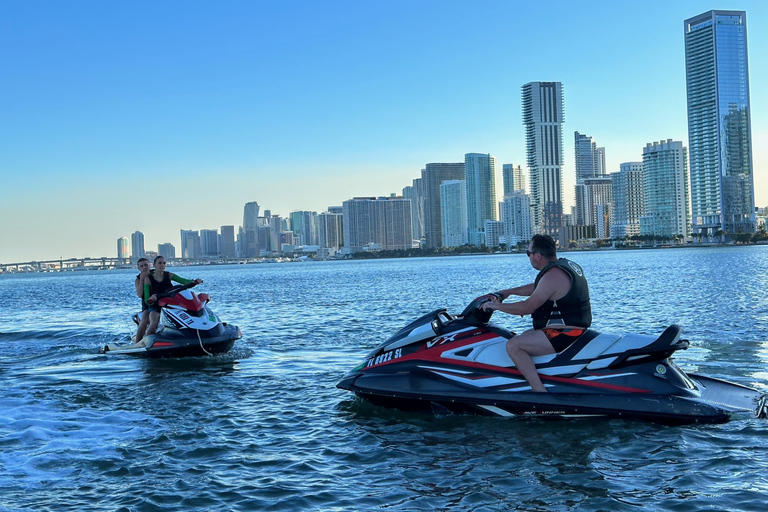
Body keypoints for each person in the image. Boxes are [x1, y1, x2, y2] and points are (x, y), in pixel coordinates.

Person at [481, 234, 591, 392]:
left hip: (565, 334)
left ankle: (539, 391)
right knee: (524, 335)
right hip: (571, 330)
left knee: (514, 345)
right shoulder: (561, 268)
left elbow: (527, 307)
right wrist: (508, 292)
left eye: (528, 253)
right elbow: (538, 288)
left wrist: (494, 306)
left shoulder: (554, 274)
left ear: (537, 256)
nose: (529, 256)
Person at [144, 255, 202, 336]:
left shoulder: (169, 275)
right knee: (154, 323)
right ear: (154, 265)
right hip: (156, 305)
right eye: (160, 263)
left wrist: (195, 281)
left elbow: (184, 281)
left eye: (164, 263)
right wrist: (151, 299)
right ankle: (145, 342)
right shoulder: (148, 278)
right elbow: (147, 299)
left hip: (170, 304)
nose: (162, 265)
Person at [134, 258, 152, 342]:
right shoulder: (138, 280)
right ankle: (138, 341)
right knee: (145, 321)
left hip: (161, 300)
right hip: (147, 304)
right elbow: (140, 294)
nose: (144, 267)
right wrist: (142, 280)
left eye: (146, 265)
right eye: (141, 266)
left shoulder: (155, 274)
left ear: (149, 265)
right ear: (138, 268)